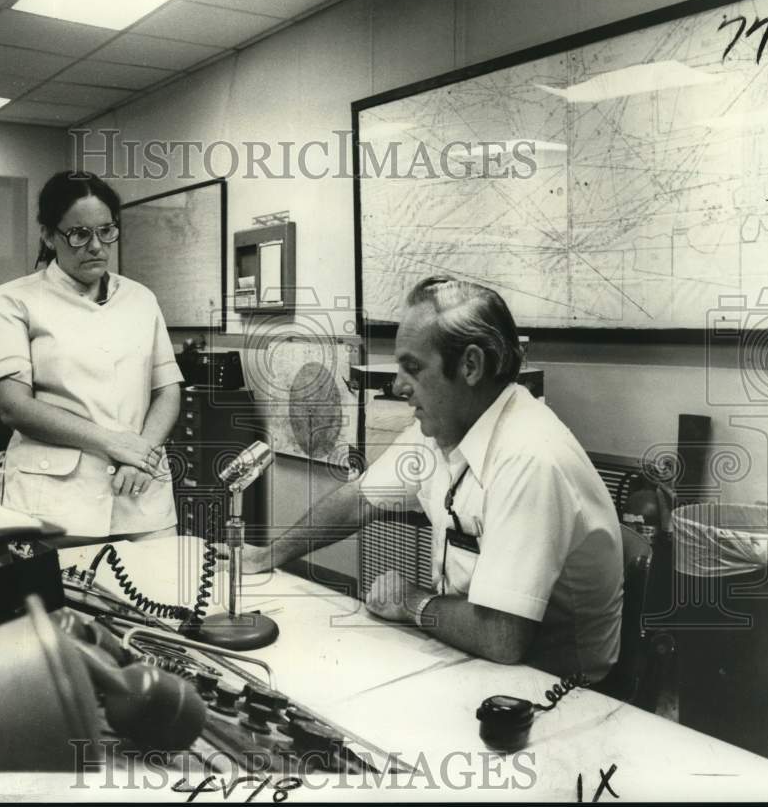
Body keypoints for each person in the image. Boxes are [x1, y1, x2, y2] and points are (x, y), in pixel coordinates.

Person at [243, 276, 623, 681]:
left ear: (470, 366)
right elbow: (360, 498)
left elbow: (501, 636)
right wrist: (268, 555)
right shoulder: (447, 426)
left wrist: (410, 602)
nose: (397, 386)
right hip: (473, 656)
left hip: (557, 688)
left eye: (413, 368)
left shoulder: (529, 457)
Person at [0, 171, 182, 542]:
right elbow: (13, 407)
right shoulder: (14, 300)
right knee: (53, 599)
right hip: (55, 498)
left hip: (140, 491)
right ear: (48, 234)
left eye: (106, 230)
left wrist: (143, 453)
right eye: (79, 233)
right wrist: (113, 443)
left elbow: (167, 390)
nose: (96, 246)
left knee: (158, 593)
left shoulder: (141, 299)